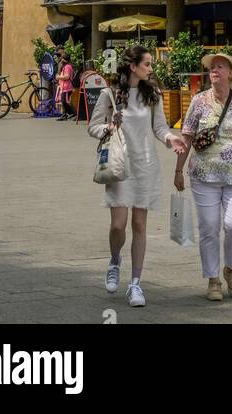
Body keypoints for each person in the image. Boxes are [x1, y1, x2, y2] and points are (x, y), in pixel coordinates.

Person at [87, 45, 186, 307]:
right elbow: (93, 126)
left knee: (139, 225)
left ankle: (135, 285)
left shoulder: (152, 93)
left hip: (145, 165)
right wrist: (108, 127)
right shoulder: (110, 94)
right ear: (132, 66)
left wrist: (170, 139)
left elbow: (160, 127)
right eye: (147, 64)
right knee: (118, 225)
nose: (151, 69)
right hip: (120, 165)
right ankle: (114, 260)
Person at [175, 51, 232, 301]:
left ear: (231, 73)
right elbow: (187, 135)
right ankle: (213, 279)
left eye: (220, 66)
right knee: (209, 228)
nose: (214, 70)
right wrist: (178, 170)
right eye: (211, 67)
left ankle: (231, 269)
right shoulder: (198, 101)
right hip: (203, 174)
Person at [55, 52, 76, 120]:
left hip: (67, 87)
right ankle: (66, 114)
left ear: (65, 60)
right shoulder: (66, 66)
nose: (61, 60)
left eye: (62, 59)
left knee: (66, 102)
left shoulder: (67, 67)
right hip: (64, 87)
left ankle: (74, 113)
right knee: (64, 101)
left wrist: (59, 77)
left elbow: (67, 77)